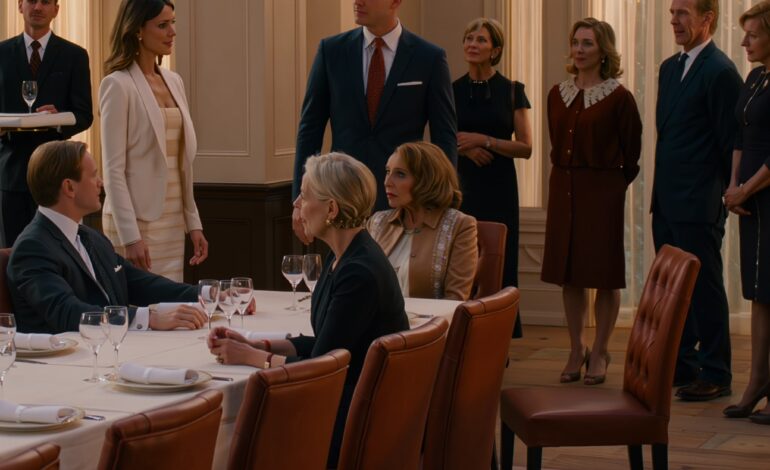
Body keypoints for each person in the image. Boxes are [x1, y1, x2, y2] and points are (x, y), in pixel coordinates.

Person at [208, 152, 408, 467]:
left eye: (305, 194)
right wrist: (256, 344)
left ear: (331, 209)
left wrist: (251, 357)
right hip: (346, 402)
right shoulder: (342, 257)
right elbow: (326, 343)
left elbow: (321, 368)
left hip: (353, 421)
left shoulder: (359, 272)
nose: (296, 203)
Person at [292, 0, 457, 244]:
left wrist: (444, 202)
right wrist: (300, 200)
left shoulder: (429, 57)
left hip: (404, 203)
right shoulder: (331, 51)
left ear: (395, 2)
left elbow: (444, 136)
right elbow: (310, 129)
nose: (357, 1)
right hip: (341, 200)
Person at [7, 140, 208, 334]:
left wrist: (207, 294)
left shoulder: (91, 237)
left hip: (112, 346)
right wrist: (149, 318)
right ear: (69, 187)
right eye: (94, 175)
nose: (100, 183)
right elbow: (68, 312)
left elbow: (140, 283)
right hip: (71, 355)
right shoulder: (32, 248)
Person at [541, 18, 642, 386]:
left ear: (603, 51)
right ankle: (576, 348)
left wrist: (608, 188)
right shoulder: (557, 94)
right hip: (563, 188)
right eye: (576, 42)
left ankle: (600, 351)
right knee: (570, 275)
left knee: (603, 274)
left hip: (602, 192)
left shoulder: (619, 97)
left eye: (587, 43)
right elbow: (555, 143)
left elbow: (632, 154)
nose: (579, 50)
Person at [652, 0, 742, 401]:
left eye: (683, 13)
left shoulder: (721, 71)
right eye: (672, 13)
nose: (674, 20)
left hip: (699, 201)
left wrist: (724, 194)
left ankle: (717, 372)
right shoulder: (668, 68)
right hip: (666, 200)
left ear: (708, 19)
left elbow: (730, 143)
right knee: (672, 289)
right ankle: (683, 364)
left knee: (705, 290)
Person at [100, 0, 207, 282]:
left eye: (173, 23)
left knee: (172, 300)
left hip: (172, 221)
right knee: (141, 305)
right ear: (137, 30)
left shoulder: (175, 81)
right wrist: (130, 236)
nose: (172, 31)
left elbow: (182, 164)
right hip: (135, 223)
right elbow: (113, 170)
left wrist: (193, 222)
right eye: (162, 25)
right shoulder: (117, 85)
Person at [453, 17, 532, 336]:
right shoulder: (451, 90)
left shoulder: (512, 90)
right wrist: (466, 150)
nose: (473, 44)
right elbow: (442, 138)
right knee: (464, 258)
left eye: (481, 40)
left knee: (500, 258)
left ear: (496, 50)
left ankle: (498, 335)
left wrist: (484, 141)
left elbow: (525, 147)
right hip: (461, 186)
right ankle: (463, 332)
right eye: (469, 38)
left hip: (499, 187)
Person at [0, 0, 93, 248]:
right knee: (14, 252)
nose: (38, 7)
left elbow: (84, 114)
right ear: (20, 5)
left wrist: (58, 118)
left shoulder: (74, 55)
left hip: (58, 174)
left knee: (59, 251)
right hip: (11, 174)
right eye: (31, 0)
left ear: (56, 9)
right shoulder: (2, 53)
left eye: (45, 1)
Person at [722, 0, 770, 423]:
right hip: (750, 198)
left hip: (767, 195)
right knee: (757, 291)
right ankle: (757, 381)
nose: (744, 43)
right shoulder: (755, 77)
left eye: (753, 35)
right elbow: (740, 136)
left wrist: (746, 189)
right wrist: (734, 187)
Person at [366, 142, 477, 300]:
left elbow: (454, 300)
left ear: (427, 180)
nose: (387, 182)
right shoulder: (377, 222)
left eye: (400, 174)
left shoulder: (460, 225)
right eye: (388, 171)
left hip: (431, 317)